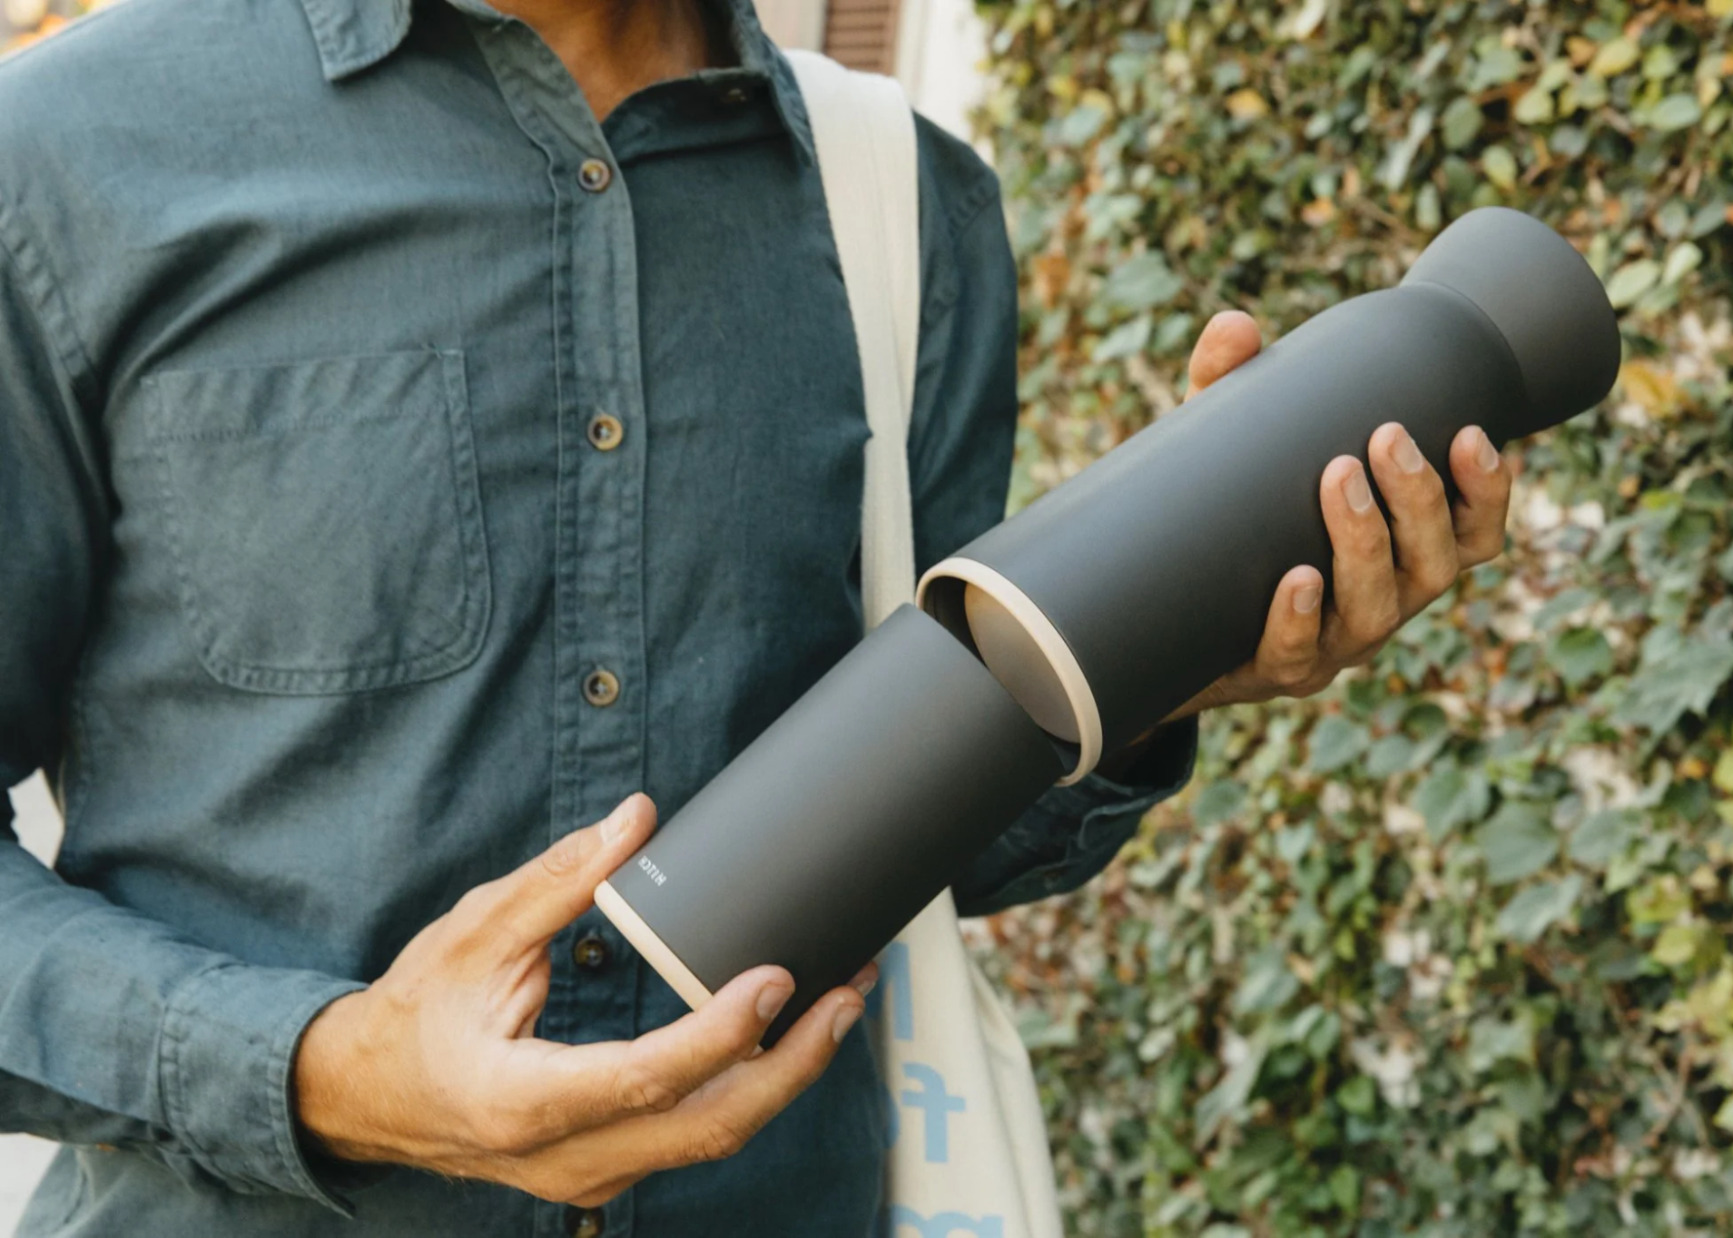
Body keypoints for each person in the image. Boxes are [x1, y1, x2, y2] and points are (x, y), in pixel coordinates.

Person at [0, 0, 1513, 1234]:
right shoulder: (70, 162)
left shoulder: (905, 206)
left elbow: (920, 831)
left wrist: (1178, 665)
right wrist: (329, 1073)